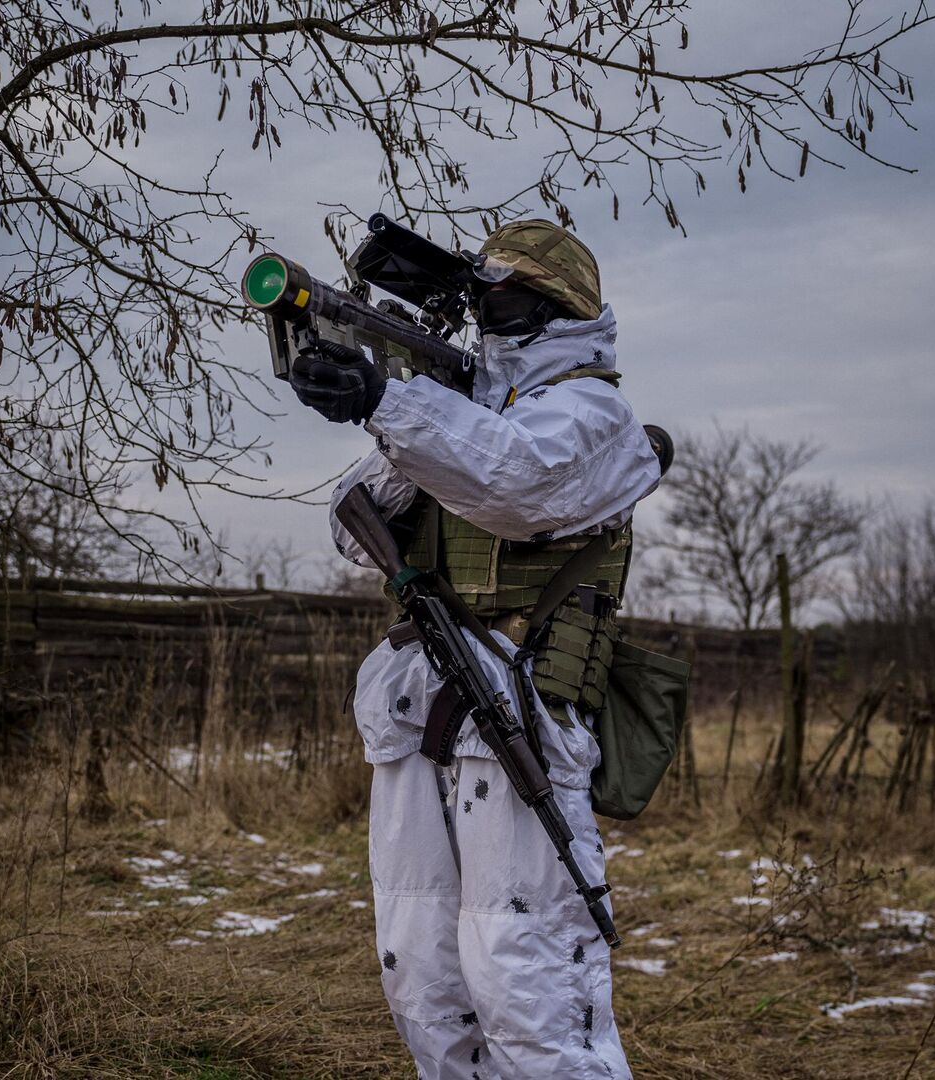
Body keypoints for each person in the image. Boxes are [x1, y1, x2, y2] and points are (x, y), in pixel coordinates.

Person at [288, 220, 660, 1079]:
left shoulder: (595, 413)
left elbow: (515, 484)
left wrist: (391, 400)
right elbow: (356, 526)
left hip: (519, 718)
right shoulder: (461, 416)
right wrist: (384, 402)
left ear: (556, 304)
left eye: (508, 294)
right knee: (424, 975)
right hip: (424, 717)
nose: (490, 310)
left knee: (525, 980)